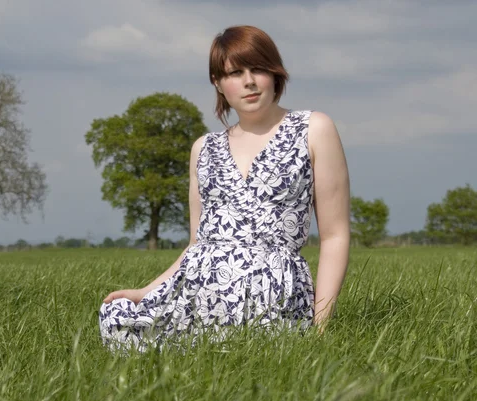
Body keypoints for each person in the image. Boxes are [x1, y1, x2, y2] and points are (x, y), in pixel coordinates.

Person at [99, 25, 350, 353]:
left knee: (249, 354)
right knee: (115, 316)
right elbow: (197, 245)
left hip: (274, 294)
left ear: (275, 74)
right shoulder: (204, 148)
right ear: (217, 82)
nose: (249, 81)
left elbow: (334, 236)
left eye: (258, 68)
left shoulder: (313, 129)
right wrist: (147, 291)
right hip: (197, 294)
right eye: (234, 72)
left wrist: (319, 325)